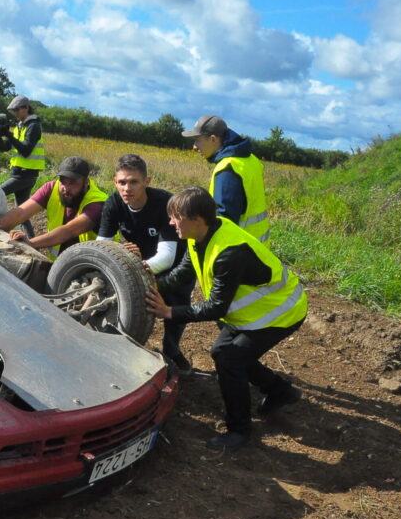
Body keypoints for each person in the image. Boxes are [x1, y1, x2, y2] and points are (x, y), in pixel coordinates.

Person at [145, 187, 307, 451]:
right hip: (255, 314)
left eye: (176, 217)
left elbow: (216, 308)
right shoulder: (199, 235)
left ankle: (239, 431)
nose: (171, 223)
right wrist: (147, 287)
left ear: (197, 219)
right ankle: (281, 392)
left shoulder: (230, 253)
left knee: (229, 358)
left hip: (280, 312)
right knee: (225, 353)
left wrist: (170, 312)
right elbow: (184, 272)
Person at [97, 154, 193, 373]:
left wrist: (132, 267)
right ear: (115, 181)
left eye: (134, 182)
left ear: (146, 181)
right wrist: (122, 254)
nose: (127, 188)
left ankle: (172, 350)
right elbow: (102, 246)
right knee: (123, 298)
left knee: (175, 308)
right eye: (122, 182)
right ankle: (120, 346)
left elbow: (167, 256)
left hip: (176, 266)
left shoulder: (165, 203)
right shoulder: (113, 203)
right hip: (140, 260)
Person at [0, 156, 106, 260]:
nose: (66, 188)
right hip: (60, 263)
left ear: (86, 182)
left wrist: (30, 243)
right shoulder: (51, 189)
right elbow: (21, 213)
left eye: (72, 183)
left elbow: (69, 231)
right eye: (63, 181)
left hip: (94, 266)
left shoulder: (97, 203)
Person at [182, 115, 270, 244]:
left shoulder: (228, 169)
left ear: (213, 139)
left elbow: (224, 221)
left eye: (197, 140)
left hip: (239, 249)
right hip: (257, 247)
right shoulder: (251, 160)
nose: (194, 147)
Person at [0, 95, 44, 237]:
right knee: (22, 213)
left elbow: (26, 150)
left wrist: (9, 134)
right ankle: (32, 242)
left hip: (25, 174)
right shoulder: (20, 126)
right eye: (12, 111)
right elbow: (5, 147)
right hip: (19, 173)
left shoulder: (34, 126)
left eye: (16, 110)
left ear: (26, 108)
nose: (14, 113)